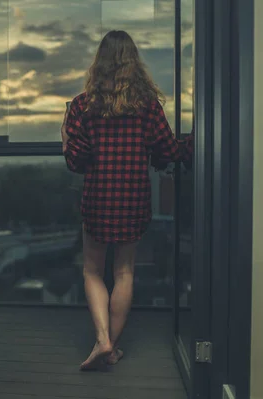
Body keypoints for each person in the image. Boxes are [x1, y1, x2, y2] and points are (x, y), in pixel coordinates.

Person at [61, 30, 193, 371]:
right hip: (133, 198)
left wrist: (65, 136)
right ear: (134, 63)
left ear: (99, 63)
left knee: (92, 269)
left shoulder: (82, 106)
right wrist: (197, 139)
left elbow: (76, 161)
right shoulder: (147, 106)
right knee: (124, 271)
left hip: (97, 197)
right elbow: (169, 150)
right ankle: (110, 346)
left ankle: (103, 340)